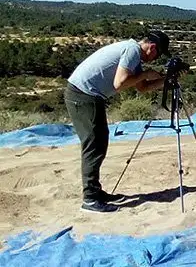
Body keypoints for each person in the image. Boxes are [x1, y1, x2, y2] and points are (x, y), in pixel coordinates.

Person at [64, 31, 170, 213]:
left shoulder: (133, 55)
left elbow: (143, 88)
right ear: (152, 48)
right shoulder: (132, 51)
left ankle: (95, 192)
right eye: (158, 54)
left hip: (86, 95)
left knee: (100, 141)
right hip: (83, 95)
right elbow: (120, 84)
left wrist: (166, 80)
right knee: (94, 144)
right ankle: (90, 198)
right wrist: (146, 74)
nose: (155, 58)